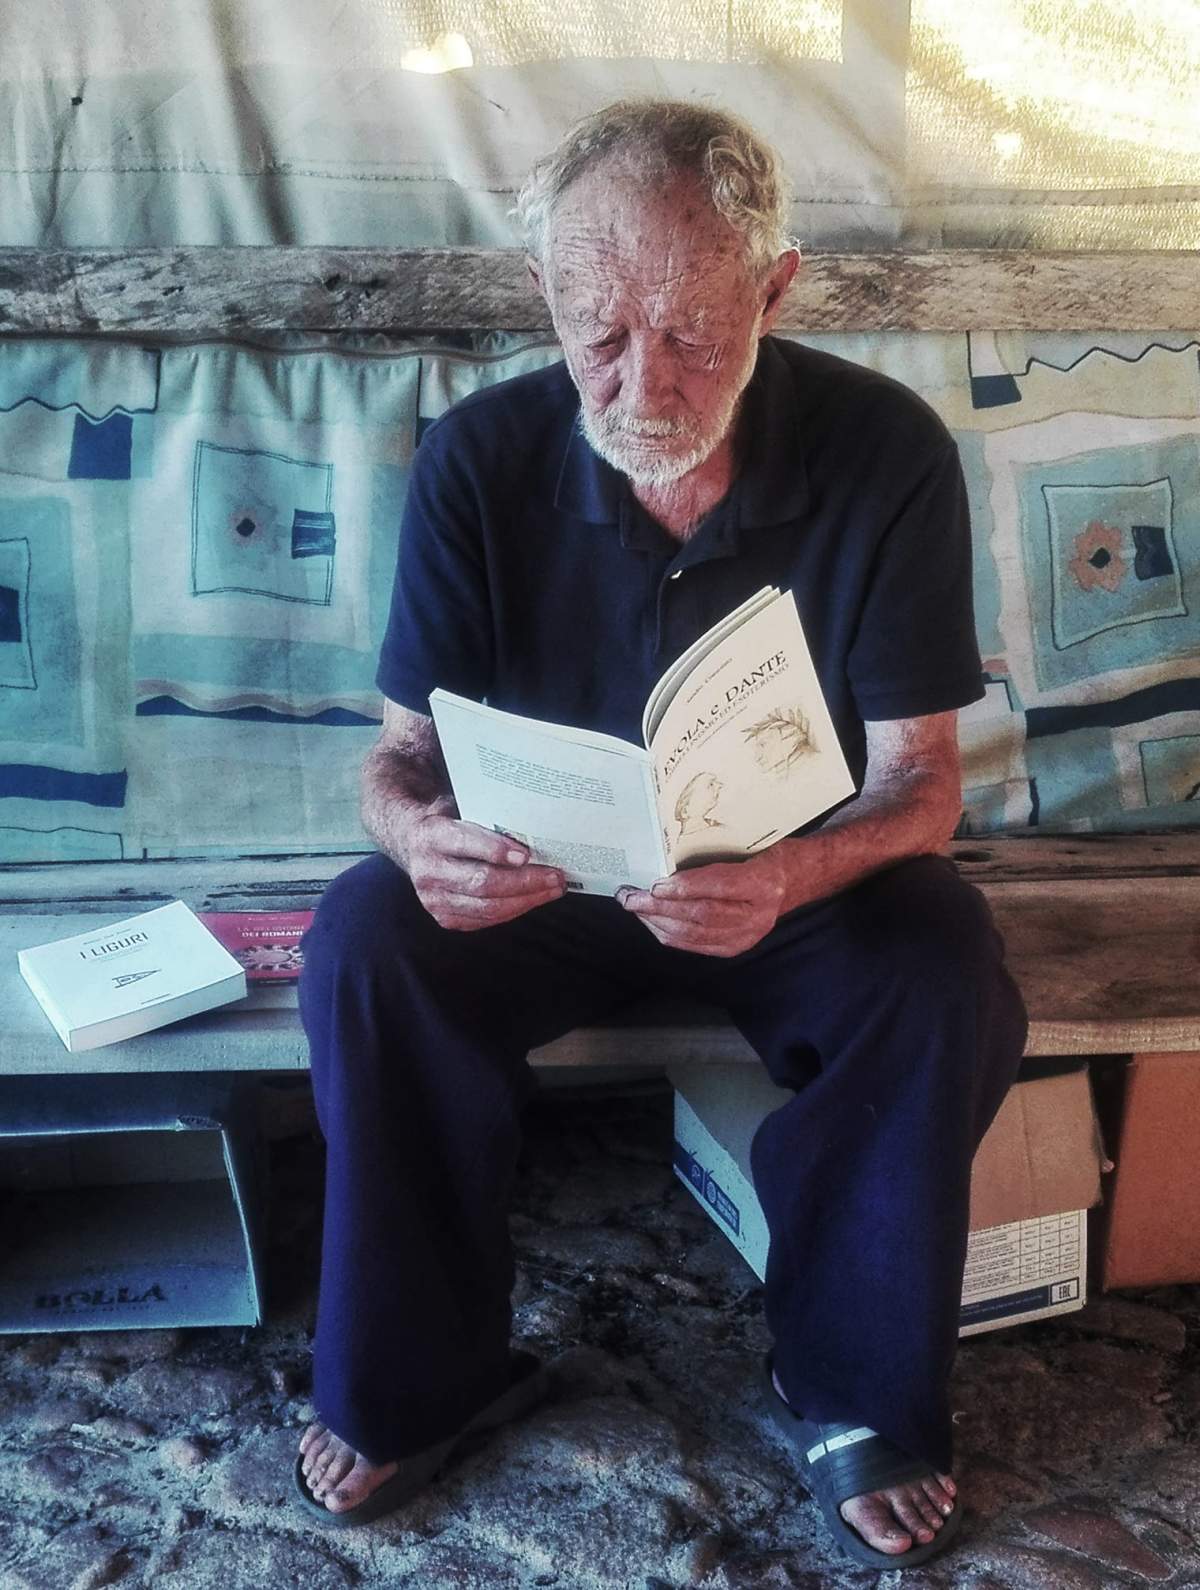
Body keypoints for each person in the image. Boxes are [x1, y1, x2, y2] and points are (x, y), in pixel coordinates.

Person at [292, 99, 1027, 1567]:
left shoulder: (883, 452)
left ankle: (853, 1389)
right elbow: (394, 762)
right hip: (549, 880)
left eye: (695, 328)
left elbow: (924, 784)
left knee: (941, 965)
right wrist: (420, 840)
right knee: (369, 940)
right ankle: (416, 1378)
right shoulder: (483, 458)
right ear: (549, 301)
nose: (643, 378)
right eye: (599, 330)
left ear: (777, 288)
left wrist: (789, 873)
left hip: (796, 885)